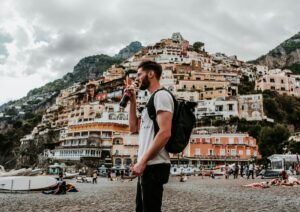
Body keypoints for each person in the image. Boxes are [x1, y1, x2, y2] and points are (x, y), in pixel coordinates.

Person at [128, 61, 174, 212]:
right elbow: (133, 128)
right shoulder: (151, 100)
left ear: (151, 74)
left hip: (154, 165)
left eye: (139, 74)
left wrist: (143, 162)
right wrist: (132, 100)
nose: (137, 79)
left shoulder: (161, 96)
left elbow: (165, 132)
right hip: (147, 166)